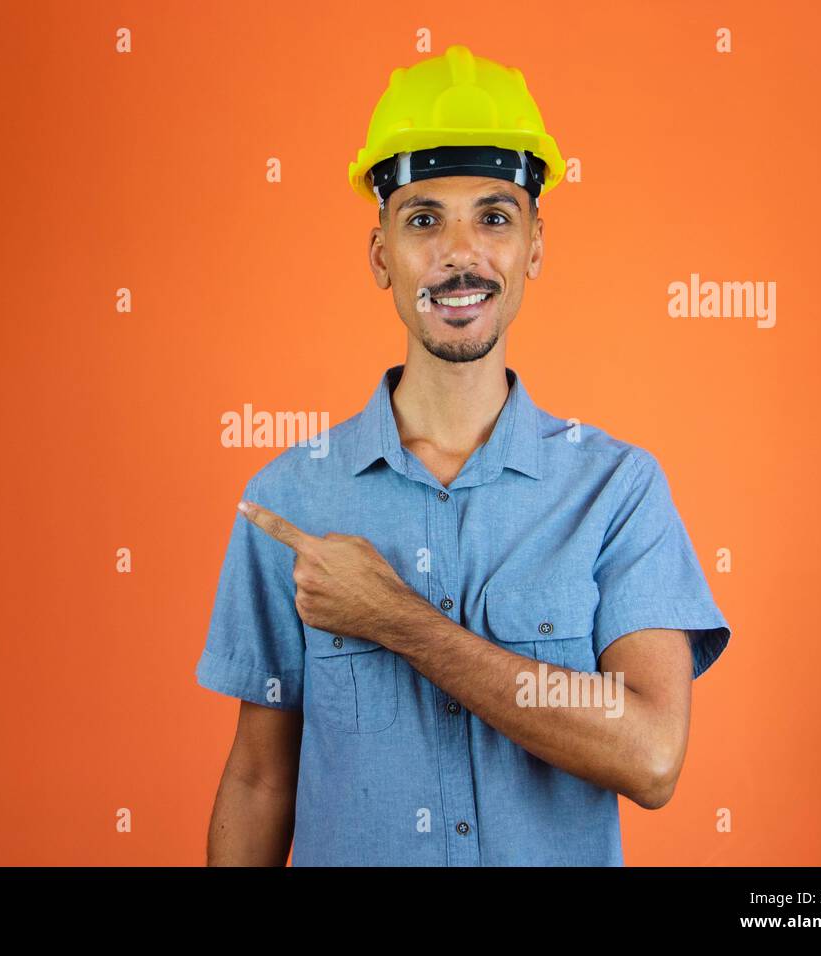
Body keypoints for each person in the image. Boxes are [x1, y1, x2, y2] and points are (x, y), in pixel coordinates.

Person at [194, 44, 731, 866]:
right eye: (421, 219)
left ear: (534, 248)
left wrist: (398, 623)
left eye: (493, 215)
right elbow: (262, 779)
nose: (459, 252)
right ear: (382, 256)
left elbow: (650, 756)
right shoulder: (291, 497)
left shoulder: (617, 490)